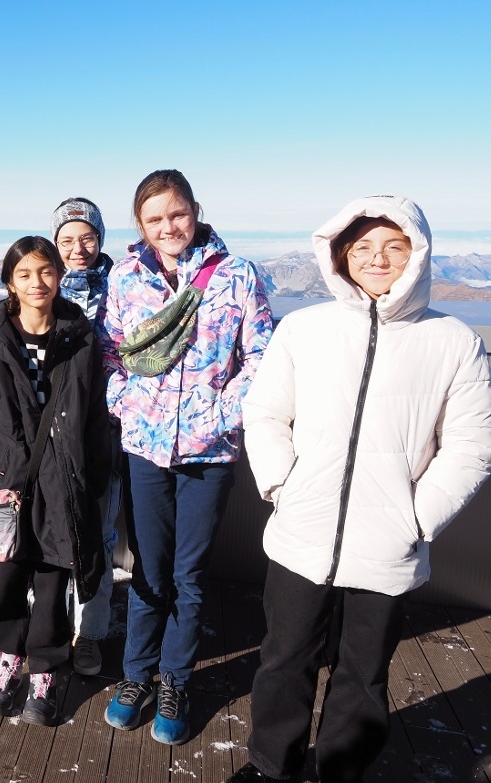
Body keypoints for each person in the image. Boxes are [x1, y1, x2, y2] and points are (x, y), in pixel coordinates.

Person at [228, 196, 491, 783]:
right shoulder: (305, 329)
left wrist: (416, 520)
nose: (378, 259)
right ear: (341, 255)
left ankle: (340, 770)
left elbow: (472, 445)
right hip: (302, 527)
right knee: (283, 660)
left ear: (417, 256)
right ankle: (271, 767)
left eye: (393, 247)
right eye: (364, 247)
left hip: (388, 541)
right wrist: (280, 484)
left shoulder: (451, 342)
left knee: (364, 672)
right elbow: (266, 413)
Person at [101, 169, 273, 745]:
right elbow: (109, 352)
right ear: (141, 226)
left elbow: (263, 356)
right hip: (146, 448)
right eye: (154, 219)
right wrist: (125, 399)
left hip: (210, 452)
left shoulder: (236, 276)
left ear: (195, 210)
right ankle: (135, 676)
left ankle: (174, 679)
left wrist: (218, 415)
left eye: (176, 214)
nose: (168, 226)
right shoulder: (126, 279)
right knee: (149, 568)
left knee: (189, 574)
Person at [0, 236, 109, 726]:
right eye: (25, 274)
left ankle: (47, 669)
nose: (38, 283)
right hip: (1, 476)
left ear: (60, 274)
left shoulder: (79, 335)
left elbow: (94, 412)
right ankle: (8, 659)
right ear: (10, 281)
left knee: (54, 578)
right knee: (6, 576)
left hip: (62, 479)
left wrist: (95, 475)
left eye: (47, 272)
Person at [50, 197, 126, 677]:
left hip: (106, 430)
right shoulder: (42, 288)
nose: (78, 249)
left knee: (98, 533)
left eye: (88, 238)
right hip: (53, 433)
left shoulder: (125, 288)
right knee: (49, 533)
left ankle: (90, 633)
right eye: (67, 240)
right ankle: (51, 627)